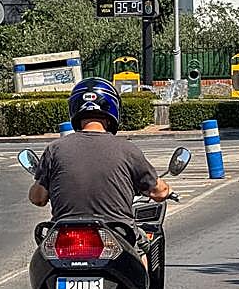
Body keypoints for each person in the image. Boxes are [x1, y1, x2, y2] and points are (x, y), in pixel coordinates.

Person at [28, 78, 170, 231]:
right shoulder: (128, 150)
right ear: (113, 109)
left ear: (75, 109)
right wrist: (168, 190)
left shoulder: (54, 149)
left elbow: (38, 198)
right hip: (117, 234)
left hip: (65, 235)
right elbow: (159, 192)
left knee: (43, 251)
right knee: (146, 245)